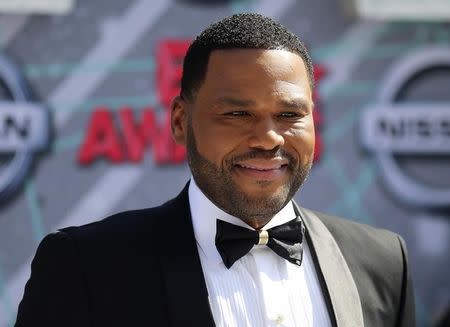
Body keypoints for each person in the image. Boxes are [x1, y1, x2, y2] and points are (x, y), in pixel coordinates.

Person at [15, 13, 415, 326]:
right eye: (238, 113)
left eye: (290, 113)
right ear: (179, 121)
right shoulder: (86, 267)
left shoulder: (383, 262)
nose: (268, 137)